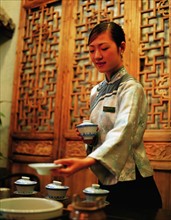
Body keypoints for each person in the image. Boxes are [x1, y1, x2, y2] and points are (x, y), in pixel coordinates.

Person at [52, 21, 162, 212]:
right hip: (106, 177)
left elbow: (123, 131)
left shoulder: (131, 88)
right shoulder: (96, 91)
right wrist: (91, 138)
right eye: (92, 50)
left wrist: (85, 161)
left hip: (132, 179)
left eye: (104, 48)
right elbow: (101, 131)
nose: (97, 56)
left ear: (122, 47)